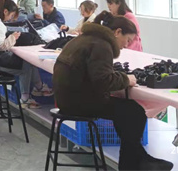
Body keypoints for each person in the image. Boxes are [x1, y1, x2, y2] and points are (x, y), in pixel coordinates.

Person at [53, 17, 172, 170]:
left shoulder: (84, 39)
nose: (126, 45)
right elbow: (103, 82)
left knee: (126, 112)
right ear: (117, 32)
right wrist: (126, 79)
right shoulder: (101, 46)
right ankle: (131, 164)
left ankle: (138, 158)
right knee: (134, 112)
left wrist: (116, 76)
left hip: (66, 99)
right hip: (77, 102)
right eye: (127, 40)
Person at [0, 0, 50, 108]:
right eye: (11, 15)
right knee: (25, 67)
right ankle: (27, 97)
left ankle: (38, 87)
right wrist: (13, 38)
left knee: (27, 61)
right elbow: (1, 47)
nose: (10, 19)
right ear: (5, 11)